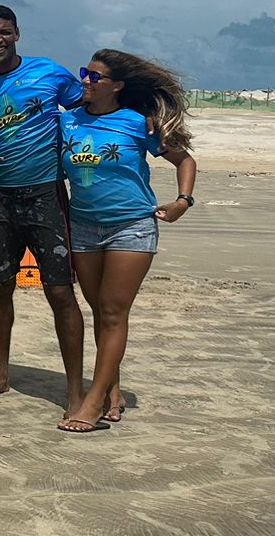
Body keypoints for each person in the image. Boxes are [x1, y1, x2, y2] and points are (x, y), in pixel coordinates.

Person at [0, 5, 86, 407]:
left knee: (60, 291)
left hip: (45, 194)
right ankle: (0, 374)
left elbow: (88, 111)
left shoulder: (49, 73)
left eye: (5, 32)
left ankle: (75, 389)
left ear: (17, 34)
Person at [56, 50, 197, 433]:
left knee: (114, 312)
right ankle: (113, 392)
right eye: (85, 73)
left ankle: (93, 401)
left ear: (117, 86)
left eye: (96, 77)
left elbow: (185, 160)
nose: (86, 80)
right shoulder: (67, 122)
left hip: (131, 226)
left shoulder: (138, 124)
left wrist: (183, 200)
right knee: (100, 312)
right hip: (84, 227)